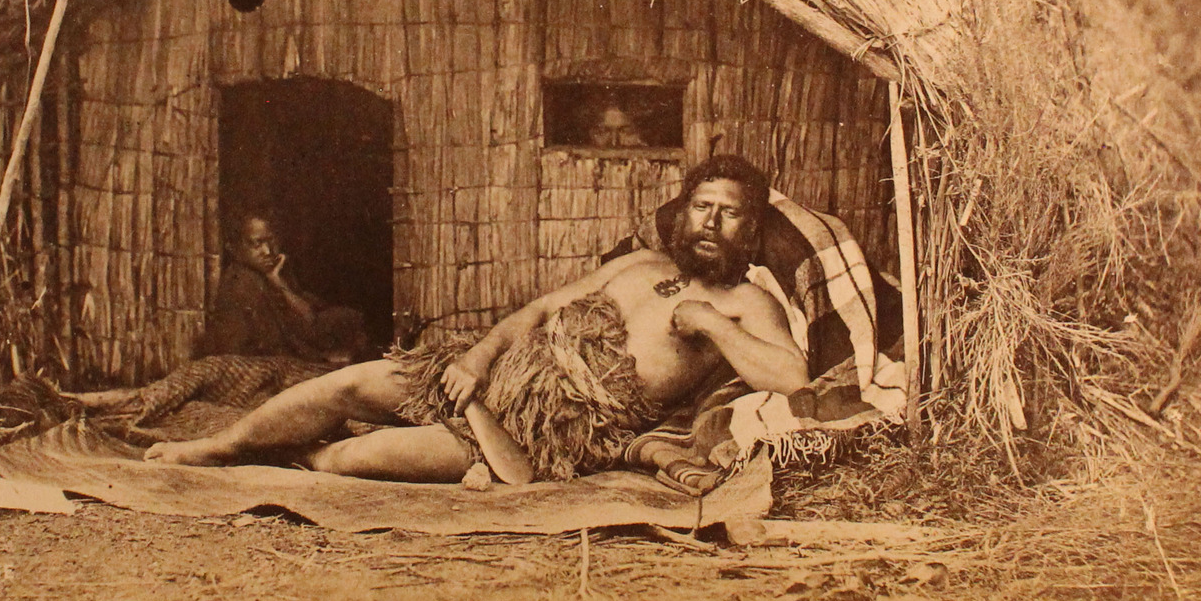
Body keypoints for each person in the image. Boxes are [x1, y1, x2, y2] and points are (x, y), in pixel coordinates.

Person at [148, 155, 807, 483]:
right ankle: (221, 445)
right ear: (682, 210)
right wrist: (476, 359)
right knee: (348, 384)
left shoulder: (745, 302)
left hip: (542, 428)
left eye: (728, 212)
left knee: (346, 458)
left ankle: (290, 456)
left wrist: (708, 321)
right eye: (701, 205)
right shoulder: (635, 264)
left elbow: (792, 374)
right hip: (493, 377)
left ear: (749, 229)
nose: (710, 221)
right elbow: (540, 308)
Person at [199, 213, 370, 362]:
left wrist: (277, 281)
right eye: (256, 244)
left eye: (269, 241)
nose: (267, 251)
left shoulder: (270, 277)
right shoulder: (243, 282)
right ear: (234, 248)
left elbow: (311, 318)